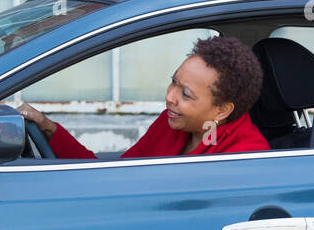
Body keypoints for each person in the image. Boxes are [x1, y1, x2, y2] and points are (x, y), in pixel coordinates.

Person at [18, 35, 270, 159]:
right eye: (173, 82)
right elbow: (117, 179)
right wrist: (48, 129)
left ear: (222, 110)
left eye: (185, 94)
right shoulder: (171, 123)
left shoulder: (245, 156)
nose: (169, 97)